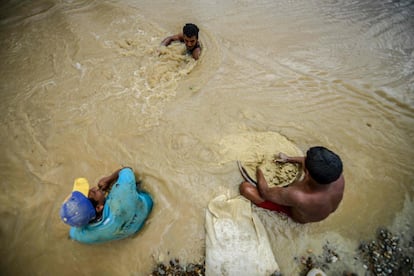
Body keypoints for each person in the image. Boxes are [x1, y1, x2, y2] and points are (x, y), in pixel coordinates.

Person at [239, 146, 344, 223]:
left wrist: (259, 170)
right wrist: (288, 159)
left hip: (297, 216)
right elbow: (307, 161)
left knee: (246, 189)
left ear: (307, 173)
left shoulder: (299, 196)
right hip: (317, 211)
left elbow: (265, 192)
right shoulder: (337, 176)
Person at [60, 167, 153, 243]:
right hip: (147, 205)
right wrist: (109, 179)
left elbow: (73, 234)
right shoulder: (121, 193)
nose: (94, 188)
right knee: (137, 184)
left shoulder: (82, 236)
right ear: (99, 207)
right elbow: (127, 170)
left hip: (131, 232)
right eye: (93, 192)